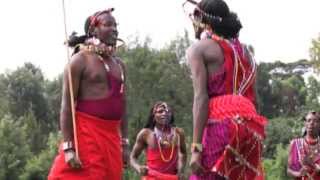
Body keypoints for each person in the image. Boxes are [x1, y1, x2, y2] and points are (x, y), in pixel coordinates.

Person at [183, 0, 267, 179]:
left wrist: (196, 148)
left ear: (202, 20)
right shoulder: (247, 53)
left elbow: (200, 99)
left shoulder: (198, 49)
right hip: (252, 126)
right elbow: (255, 101)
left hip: (222, 124)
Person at [48, 8, 129, 180]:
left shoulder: (120, 64)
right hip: (87, 134)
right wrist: (69, 147)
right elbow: (66, 106)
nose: (114, 29)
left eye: (116, 25)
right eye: (108, 24)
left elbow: (123, 106)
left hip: (112, 137)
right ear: (93, 30)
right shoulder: (79, 61)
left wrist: (125, 143)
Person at [130, 101, 187, 180]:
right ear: (153, 116)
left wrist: (181, 170)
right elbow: (132, 157)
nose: (164, 114)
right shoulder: (145, 134)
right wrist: (139, 168)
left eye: (168, 111)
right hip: (151, 177)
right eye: (160, 111)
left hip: (172, 178)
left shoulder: (178, 133)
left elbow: (183, 153)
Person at [287, 111, 320, 179]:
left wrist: (316, 168)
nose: (311, 123)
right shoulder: (295, 143)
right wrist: (298, 173)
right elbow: (289, 170)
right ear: (305, 124)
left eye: (315, 121)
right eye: (308, 120)